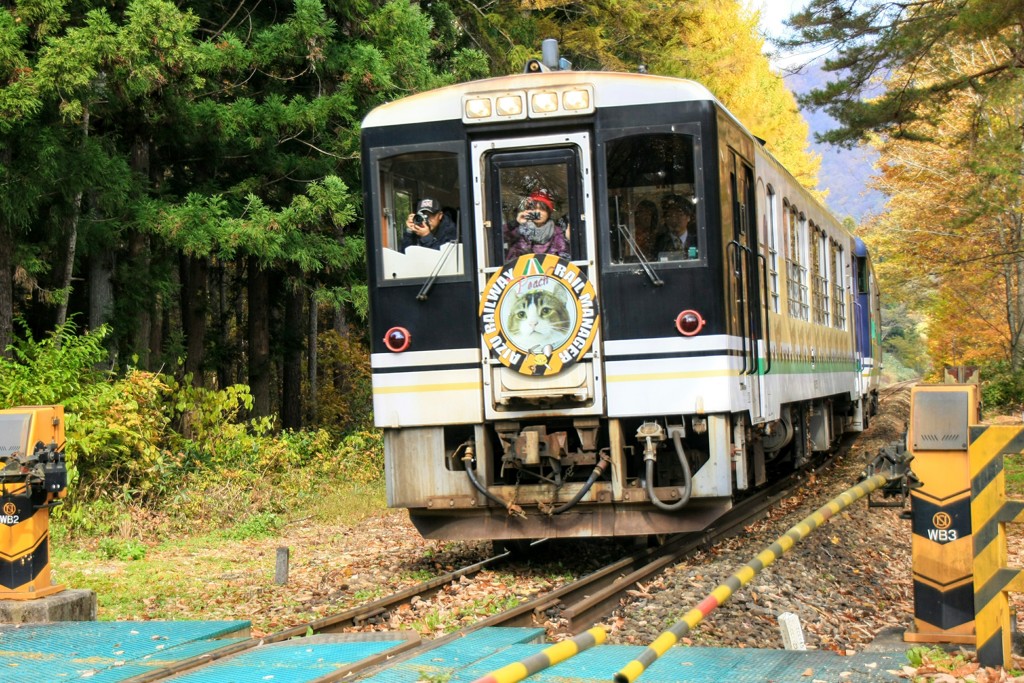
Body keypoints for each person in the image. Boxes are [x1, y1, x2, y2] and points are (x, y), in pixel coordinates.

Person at [504, 189, 570, 261]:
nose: (538, 212)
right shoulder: (520, 230)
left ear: (549, 212)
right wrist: (515, 223)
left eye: (542, 209)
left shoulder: (558, 233)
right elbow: (497, 239)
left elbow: (565, 259)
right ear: (528, 210)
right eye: (534, 209)